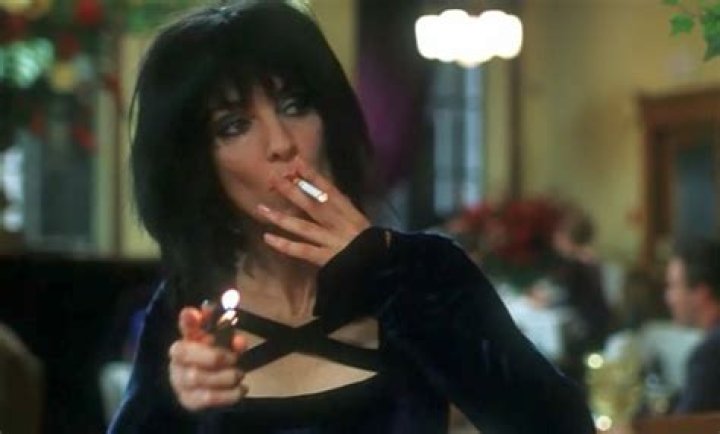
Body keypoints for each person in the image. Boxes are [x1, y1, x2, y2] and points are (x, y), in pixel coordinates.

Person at [107, 1, 594, 433]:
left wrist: (383, 276)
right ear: (197, 164)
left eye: (295, 105)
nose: (282, 144)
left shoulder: (425, 270)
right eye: (234, 126)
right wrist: (174, 408)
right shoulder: (192, 307)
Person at [550, 206, 613, 387]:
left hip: (587, 331)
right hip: (598, 325)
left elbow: (566, 297)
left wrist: (547, 299)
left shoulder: (578, 263)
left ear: (567, 237)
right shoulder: (588, 258)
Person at [664, 238, 720, 413]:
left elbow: (684, 425)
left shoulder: (710, 355)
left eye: (673, 286)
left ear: (700, 294)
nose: (668, 298)